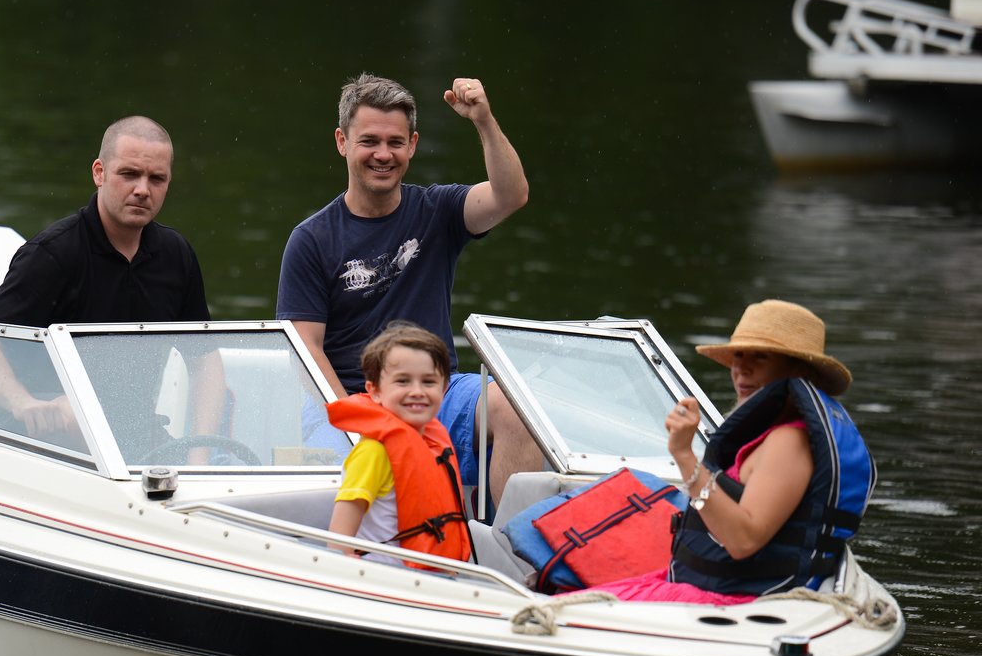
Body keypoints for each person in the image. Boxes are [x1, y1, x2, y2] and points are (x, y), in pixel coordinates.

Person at [276, 72, 542, 513]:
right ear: (342, 142)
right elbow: (305, 350)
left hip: (435, 390)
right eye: (369, 141)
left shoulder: (439, 211)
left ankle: (507, 557)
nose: (383, 154)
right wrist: (362, 422)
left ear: (413, 145)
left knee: (516, 407)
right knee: (364, 463)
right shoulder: (311, 239)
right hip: (349, 395)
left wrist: (483, 119)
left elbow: (511, 195)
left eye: (395, 143)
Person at [588, 299, 876, 603]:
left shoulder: (789, 442)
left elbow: (743, 540)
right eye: (738, 355)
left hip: (734, 601)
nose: (741, 369)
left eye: (760, 357)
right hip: (713, 588)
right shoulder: (772, 433)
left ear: (798, 370)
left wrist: (684, 455)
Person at [0, 115, 221, 448]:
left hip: (134, 437)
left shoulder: (177, 256)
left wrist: (199, 452)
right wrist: (24, 403)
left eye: (157, 178)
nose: (142, 190)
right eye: (129, 174)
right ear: (99, 173)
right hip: (45, 439)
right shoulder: (52, 254)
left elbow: (205, 361)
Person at [326, 322, 472, 564]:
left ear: (444, 388)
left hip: (434, 577)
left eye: (428, 382)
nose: (417, 391)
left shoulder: (432, 442)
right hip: (387, 583)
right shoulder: (374, 452)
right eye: (403, 381)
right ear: (375, 392)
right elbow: (339, 539)